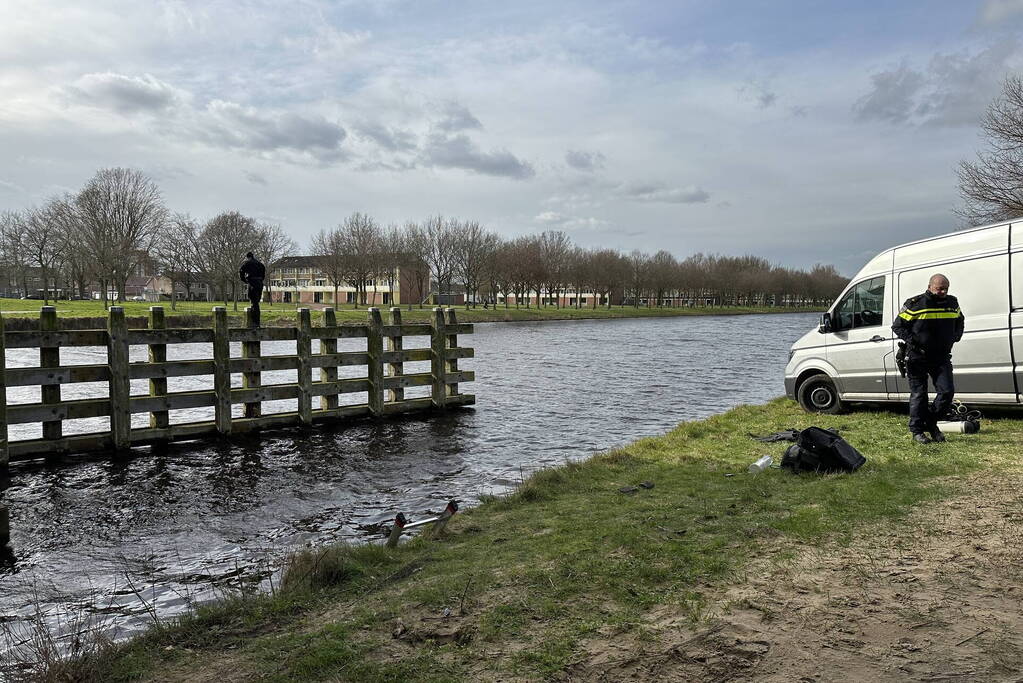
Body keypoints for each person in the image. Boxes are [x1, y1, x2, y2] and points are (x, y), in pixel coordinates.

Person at [891, 274, 965, 444]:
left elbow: (960, 321)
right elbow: (898, 326)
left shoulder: (952, 303)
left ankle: (931, 423)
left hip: (941, 357)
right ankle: (917, 430)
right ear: (930, 286)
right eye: (940, 288)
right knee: (919, 394)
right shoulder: (916, 304)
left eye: (946, 288)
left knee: (947, 392)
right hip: (918, 357)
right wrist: (914, 342)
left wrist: (956, 336)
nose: (943, 291)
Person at [239, 251, 266, 327]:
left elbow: (241, 271)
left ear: (248, 257)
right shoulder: (260, 264)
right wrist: (260, 281)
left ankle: (255, 322)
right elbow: (263, 275)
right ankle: (257, 321)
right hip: (260, 283)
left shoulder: (247, 263)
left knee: (254, 303)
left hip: (252, 283)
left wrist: (245, 280)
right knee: (257, 302)